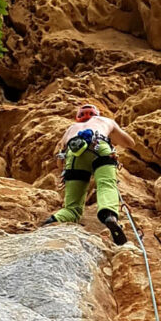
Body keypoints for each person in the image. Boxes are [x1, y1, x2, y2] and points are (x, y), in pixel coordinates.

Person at [42, 103, 136, 245]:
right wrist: (112, 137)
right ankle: (109, 216)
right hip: (100, 146)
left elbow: (60, 160)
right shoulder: (105, 121)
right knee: (106, 184)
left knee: (72, 207)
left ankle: (53, 221)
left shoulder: (71, 129)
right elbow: (130, 143)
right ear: (96, 114)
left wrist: (66, 171)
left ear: (78, 118)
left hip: (74, 154)